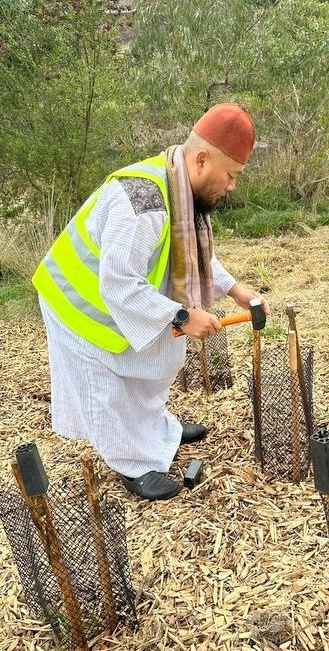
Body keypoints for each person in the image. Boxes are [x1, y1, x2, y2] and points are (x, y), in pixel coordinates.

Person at [32, 102, 269, 501]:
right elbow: (119, 283)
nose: (232, 186)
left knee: (151, 366)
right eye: (230, 175)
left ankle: (161, 433)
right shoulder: (144, 204)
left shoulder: (179, 189)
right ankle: (134, 465)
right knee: (107, 386)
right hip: (78, 303)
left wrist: (235, 290)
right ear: (200, 160)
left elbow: (193, 254)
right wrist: (180, 314)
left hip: (110, 297)